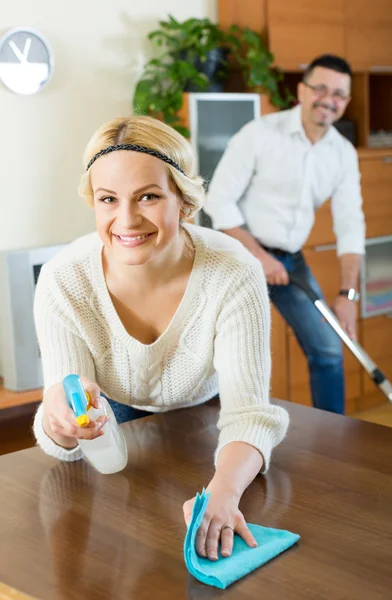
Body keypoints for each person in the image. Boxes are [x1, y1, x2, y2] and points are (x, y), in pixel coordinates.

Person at [32, 115, 289, 561]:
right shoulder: (63, 281)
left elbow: (248, 413)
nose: (126, 220)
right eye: (108, 199)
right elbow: (61, 424)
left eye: (148, 196)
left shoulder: (234, 272)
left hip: (209, 414)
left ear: (184, 203)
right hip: (115, 421)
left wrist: (223, 494)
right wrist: (61, 422)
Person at [204, 54, 366, 415]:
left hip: (289, 262)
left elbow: (350, 224)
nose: (329, 99)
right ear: (301, 91)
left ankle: (334, 444)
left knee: (328, 349)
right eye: (320, 88)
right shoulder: (260, 134)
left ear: (347, 102)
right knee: (229, 359)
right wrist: (259, 257)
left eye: (339, 93)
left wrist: (348, 294)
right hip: (237, 257)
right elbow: (218, 202)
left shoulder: (342, 154)